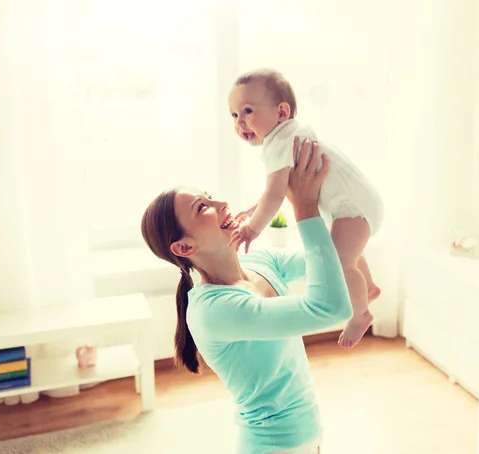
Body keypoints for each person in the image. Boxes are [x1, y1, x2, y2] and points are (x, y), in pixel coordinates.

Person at [141, 138, 352, 454]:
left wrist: (321, 189)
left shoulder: (260, 260)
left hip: (309, 431)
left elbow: (334, 256)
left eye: (209, 197)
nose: (221, 204)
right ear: (184, 248)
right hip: (274, 445)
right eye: (202, 208)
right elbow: (331, 308)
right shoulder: (214, 310)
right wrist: (303, 206)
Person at [228, 68, 383, 348]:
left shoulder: (279, 143)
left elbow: (276, 194)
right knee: (348, 252)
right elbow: (277, 190)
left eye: (248, 111)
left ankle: (360, 314)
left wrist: (251, 229)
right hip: (359, 204)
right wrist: (256, 207)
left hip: (352, 210)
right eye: (234, 115)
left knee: (340, 262)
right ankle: (368, 287)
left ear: (281, 111)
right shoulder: (290, 134)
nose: (240, 122)